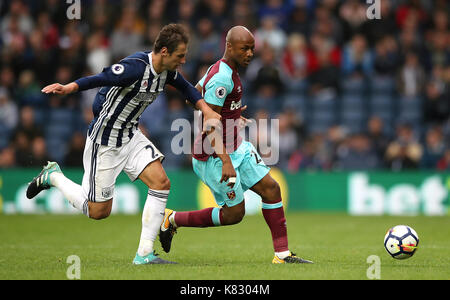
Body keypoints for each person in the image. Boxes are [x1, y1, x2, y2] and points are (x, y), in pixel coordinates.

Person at [26, 24, 221, 265]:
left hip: (130, 135)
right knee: (99, 212)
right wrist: (69, 87)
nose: (183, 60)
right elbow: (100, 78)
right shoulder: (134, 68)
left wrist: (206, 110)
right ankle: (53, 176)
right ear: (163, 51)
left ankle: (144, 254)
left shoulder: (167, 71)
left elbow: (186, 88)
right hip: (105, 140)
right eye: (180, 55)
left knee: (161, 183)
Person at [159, 26, 313, 264]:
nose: (250, 53)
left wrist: (229, 114)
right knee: (234, 214)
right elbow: (210, 125)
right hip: (213, 156)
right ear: (229, 46)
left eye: (252, 48)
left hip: (235, 146)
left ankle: (282, 255)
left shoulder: (222, 69)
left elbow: (194, 96)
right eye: (245, 48)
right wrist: (225, 161)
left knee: (271, 189)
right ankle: (172, 219)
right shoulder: (222, 77)